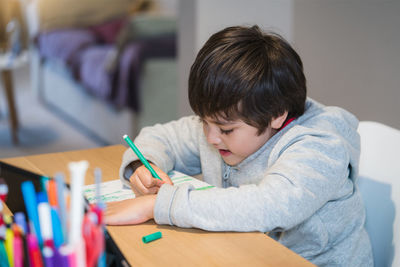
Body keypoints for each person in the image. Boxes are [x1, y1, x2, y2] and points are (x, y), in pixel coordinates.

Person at [105, 25, 373, 266]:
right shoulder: (226, 124)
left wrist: (158, 205)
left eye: (225, 129)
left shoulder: (318, 146)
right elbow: (162, 137)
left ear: (277, 114)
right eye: (204, 122)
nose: (210, 137)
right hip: (246, 254)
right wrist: (145, 164)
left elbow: (269, 205)